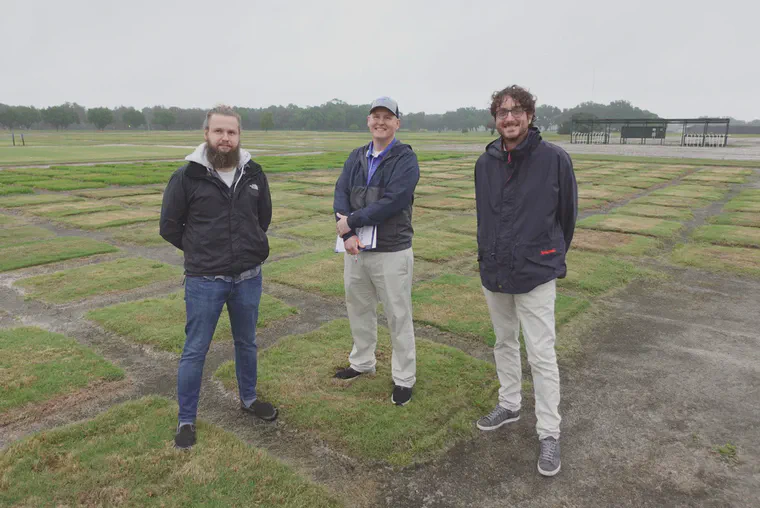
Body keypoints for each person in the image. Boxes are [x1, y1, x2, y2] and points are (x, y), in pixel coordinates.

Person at [473, 85, 577, 476]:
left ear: (530, 116)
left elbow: (566, 219)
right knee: (503, 341)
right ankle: (510, 403)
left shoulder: (554, 159)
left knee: (541, 354)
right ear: (495, 119)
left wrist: (548, 255)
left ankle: (550, 433)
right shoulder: (485, 163)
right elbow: (486, 217)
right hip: (496, 270)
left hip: (536, 272)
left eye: (516, 111)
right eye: (502, 112)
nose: (509, 118)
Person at [160, 105, 277, 449]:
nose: (225, 139)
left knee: (247, 342)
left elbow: (262, 219)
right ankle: (186, 419)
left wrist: (246, 248)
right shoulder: (187, 177)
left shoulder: (253, 173)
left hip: (248, 278)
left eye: (232, 132)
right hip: (204, 282)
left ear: (239, 136)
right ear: (206, 134)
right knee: (195, 350)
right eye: (219, 132)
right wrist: (200, 251)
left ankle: (250, 399)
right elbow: (169, 226)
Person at [332, 97, 420, 406]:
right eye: (375, 116)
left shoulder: (405, 159)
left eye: (387, 117)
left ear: (397, 122)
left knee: (398, 314)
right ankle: (362, 362)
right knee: (358, 307)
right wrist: (350, 234)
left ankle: (404, 378)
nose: (380, 121)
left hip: (391, 250)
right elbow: (341, 192)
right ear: (368, 122)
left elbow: (394, 201)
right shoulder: (356, 156)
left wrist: (351, 222)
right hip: (357, 249)